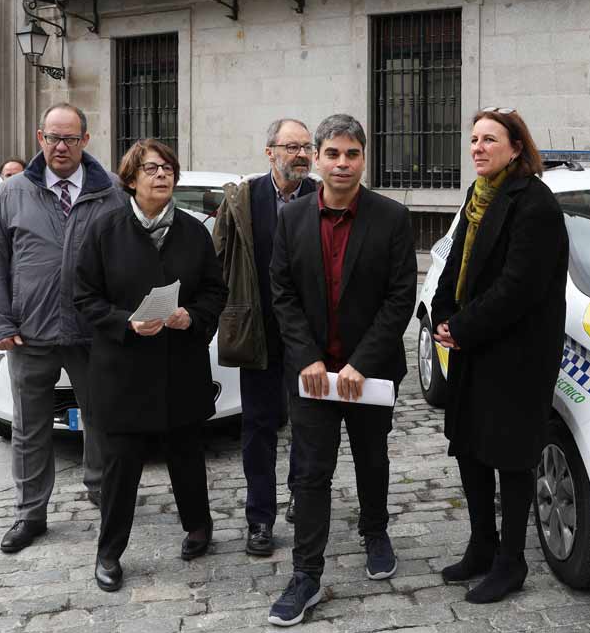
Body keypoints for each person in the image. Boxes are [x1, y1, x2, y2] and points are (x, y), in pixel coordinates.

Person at [266, 114, 417, 626]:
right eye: (333, 153)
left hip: (369, 375)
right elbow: (282, 294)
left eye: (352, 154)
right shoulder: (291, 219)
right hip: (311, 375)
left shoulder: (392, 218)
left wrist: (360, 363)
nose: (342, 163)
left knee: (372, 458)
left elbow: (400, 300)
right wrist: (308, 358)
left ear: (363, 158)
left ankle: (375, 530)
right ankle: (306, 574)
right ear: (317, 156)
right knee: (310, 475)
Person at [74, 139, 229, 591]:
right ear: (131, 178)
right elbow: (84, 297)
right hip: (124, 372)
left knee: (186, 456)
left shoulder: (193, 231)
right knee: (121, 467)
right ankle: (109, 553)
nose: (162, 175)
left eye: (168, 168)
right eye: (151, 169)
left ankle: (199, 527)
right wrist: (125, 322)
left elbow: (214, 293)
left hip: (180, 365)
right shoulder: (105, 229)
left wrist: (192, 316)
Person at [430, 109, 568, 604]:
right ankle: (482, 546)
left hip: (516, 354)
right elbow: (454, 262)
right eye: (473, 140)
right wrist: (441, 314)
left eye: (490, 139)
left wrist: (462, 329)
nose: (478, 148)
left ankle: (512, 562)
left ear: (516, 147)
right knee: (470, 446)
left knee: (510, 457)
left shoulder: (535, 205)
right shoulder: (477, 196)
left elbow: (519, 288)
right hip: (475, 346)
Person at [0, 103, 127, 554]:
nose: (61, 147)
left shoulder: (112, 193)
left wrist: (119, 322)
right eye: (52, 138)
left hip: (92, 332)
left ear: (86, 139)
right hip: (31, 331)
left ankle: (105, 498)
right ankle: (30, 514)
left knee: (100, 422)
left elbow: (124, 264)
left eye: (70, 138)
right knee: (28, 428)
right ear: (39, 138)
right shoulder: (12, 193)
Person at [212, 119, 317, 557]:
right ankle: (260, 518)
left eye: (306, 147)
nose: (300, 154)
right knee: (258, 426)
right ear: (269, 151)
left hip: (309, 334)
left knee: (309, 421)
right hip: (259, 330)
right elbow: (219, 257)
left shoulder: (320, 194)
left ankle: (300, 492)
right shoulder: (244, 197)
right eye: (291, 146)